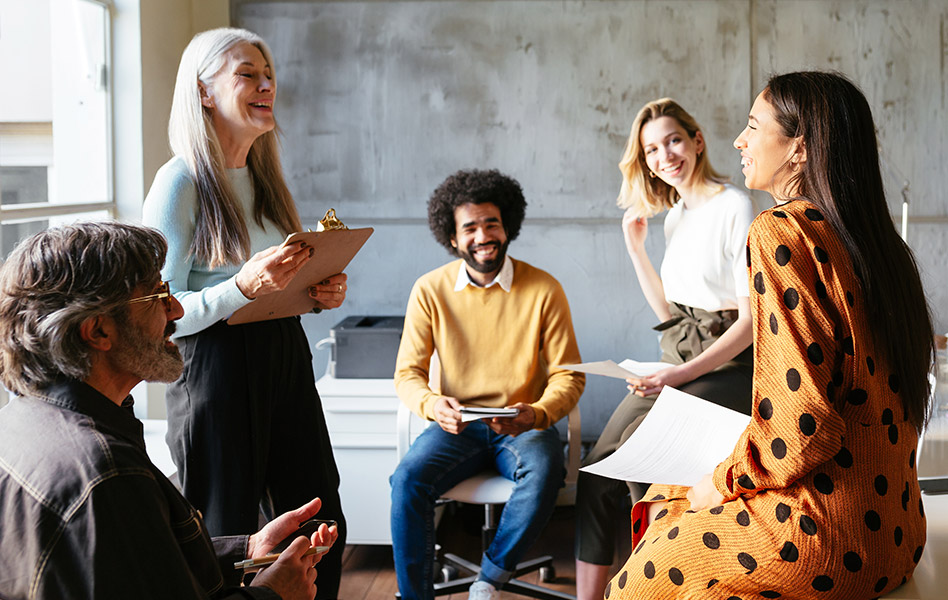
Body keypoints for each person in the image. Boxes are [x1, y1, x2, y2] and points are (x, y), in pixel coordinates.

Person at [607, 71, 935, 599]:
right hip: (896, 529)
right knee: (670, 493)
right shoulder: (881, 244)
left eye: (753, 125)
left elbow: (802, 429)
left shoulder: (783, 231)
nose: (738, 139)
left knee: (637, 576)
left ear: (799, 148)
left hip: (826, 536)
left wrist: (719, 482)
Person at [0, 221, 338, 600]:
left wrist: (245, 550)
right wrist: (274, 593)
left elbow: (136, 564)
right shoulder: (107, 473)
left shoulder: (19, 422)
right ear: (98, 332)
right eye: (158, 294)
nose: (176, 309)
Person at [142, 27, 347, 598]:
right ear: (204, 92)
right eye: (246, 74)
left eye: (268, 74)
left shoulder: (266, 178)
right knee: (226, 528)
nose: (266, 85)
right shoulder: (180, 181)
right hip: (214, 369)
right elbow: (161, 311)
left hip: (282, 353)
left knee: (320, 520)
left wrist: (313, 292)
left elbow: (271, 287)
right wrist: (243, 287)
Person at [574, 98, 755, 600]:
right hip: (680, 356)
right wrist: (636, 249)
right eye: (651, 149)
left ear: (697, 140)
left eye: (673, 140)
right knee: (597, 467)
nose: (664, 155)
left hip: (731, 362)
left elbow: (751, 321)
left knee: (640, 454)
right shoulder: (675, 216)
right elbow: (670, 317)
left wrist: (675, 376)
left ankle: (646, 586)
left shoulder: (733, 205)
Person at [390, 169, 586, 600]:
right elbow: (407, 375)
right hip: (454, 426)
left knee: (545, 468)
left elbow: (569, 374)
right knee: (406, 481)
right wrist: (431, 405)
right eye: (470, 227)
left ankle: (490, 579)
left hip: (521, 424)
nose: (483, 235)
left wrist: (537, 413)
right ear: (454, 237)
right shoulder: (430, 290)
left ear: (508, 226)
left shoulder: (544, 289)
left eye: (492, 223)